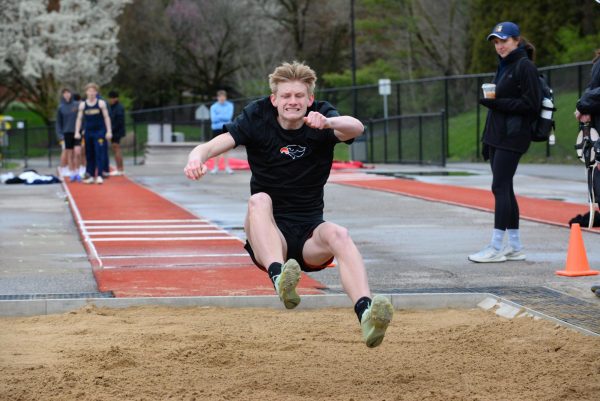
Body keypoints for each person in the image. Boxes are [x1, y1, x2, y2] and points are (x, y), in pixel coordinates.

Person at [184, 61, 393, 348]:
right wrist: (196, 158)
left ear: (309, 99)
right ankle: (279, 277)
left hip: (309, 234)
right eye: (286, 96)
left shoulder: (322, 115)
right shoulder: (257, 115)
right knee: (259, 199)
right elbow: (213, 144)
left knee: (339, 234)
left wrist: (328, 122)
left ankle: (366, 313)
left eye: (298, 96)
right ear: (274, 99)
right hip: (268, 233)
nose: (292, 102)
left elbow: (356, 127)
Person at [469, 22, 541, 263]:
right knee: (505, 188)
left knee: (499, 187)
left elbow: (531, 105)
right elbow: (497, 107)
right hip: (497, 136)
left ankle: (496, 246)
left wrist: (496, 104)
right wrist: (485, 139)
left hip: (514, 136)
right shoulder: (503, 66)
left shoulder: (525, 67)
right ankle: (516, 246)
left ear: (516, 41)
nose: (499, 46)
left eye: (504, 41)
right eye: (496, 42)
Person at [74, 83, 112, 184]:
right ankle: (90, 174)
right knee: (89, 153)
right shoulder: (82, 105)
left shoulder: (101, 103)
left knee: (99, 152)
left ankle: (99, 175)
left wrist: (109, 131)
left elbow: (106, 117)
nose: (91, 93)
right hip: (88, 132)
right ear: (86, 92)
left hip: (99, 132)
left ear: (96, 92)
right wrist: (77, 131)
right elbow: (79, 118)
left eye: (93, 91)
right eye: (89, 91)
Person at [56, 89, 82, 182]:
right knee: (69, 153)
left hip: (77, 133)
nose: (67, 95)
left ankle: (78, 171)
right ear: (63, 95)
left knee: (78, 152)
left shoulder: (77, 105)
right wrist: (60, 135)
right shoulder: (61, 107)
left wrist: (82, 130)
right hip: (66, 133)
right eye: (65, 93)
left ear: (71, 94)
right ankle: (72, 173)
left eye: (68, 93)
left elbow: (82, 118)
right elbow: (58, 122)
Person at [209, 90, 234, 174]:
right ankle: (215, 167)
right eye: (220, 97)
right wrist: (223, 116)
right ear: (218, 97)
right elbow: (213, 119)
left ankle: (227, 167)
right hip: (216, 129)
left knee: (226, 149)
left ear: (225, 97)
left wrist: (218, 116)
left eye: (223, 96)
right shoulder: (213, 107)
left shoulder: (230, 105)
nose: (222, 98)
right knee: (216, 149)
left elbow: (228, 117)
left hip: (226, 128)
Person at [108, 90, 126, 176]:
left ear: (115, 98)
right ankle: (120, 168)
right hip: (114, 130)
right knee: (115, 149)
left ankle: (120, 169)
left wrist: (111, 130)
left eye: (111, 98)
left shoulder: (119, 108)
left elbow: (119, 122)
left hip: (116, 131)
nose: (110, 100)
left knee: (116, 148)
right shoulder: (112, 107)